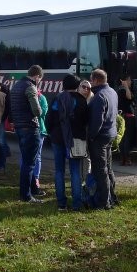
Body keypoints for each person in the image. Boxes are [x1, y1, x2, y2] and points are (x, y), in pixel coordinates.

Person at [50, 74, 86, 211]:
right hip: (75, 139)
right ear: (77, 86)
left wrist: (52, 132)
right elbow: (86, 120)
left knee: (59, 171)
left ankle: (61, 203)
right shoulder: (81, 100)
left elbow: (50, 119)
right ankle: (77, 204)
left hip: (58, 138)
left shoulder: (57, 99)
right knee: (75, 171)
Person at [10, 65, 45, 203]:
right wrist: (41, 110)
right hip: (30, 128)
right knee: (29, 163)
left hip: (19, 127)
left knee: (27, 160)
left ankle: (33, 189)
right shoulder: (31, 87)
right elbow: (37, 111)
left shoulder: (17, 86)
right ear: (37, 76)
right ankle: (26, 195)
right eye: (40, 79)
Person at [87, 68, 118, 209]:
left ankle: (103, 202)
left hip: (100, 137)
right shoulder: (112, 92)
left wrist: (91, 136)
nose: (90, 83)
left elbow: (97, 121)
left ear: (96, 80)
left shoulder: (99, 96)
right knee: (109, 168)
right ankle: (113, 197)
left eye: (91, 80)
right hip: (110, 134)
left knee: (101, 170)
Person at [117, 75, 135, 165]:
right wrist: (126, 87)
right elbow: (129, 97)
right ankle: (126, 158)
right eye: (129, 80)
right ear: (124, 81)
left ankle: (123, 158)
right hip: (126, 116)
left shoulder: (120, 89)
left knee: (123, 138)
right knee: (126, 138)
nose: (131, 82)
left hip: (124, 116)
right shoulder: (122, 90)